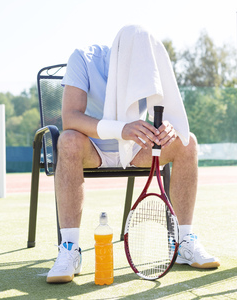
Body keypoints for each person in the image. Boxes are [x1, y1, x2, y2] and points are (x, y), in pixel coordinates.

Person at [46, 25, 220, 284]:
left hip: (136, 149)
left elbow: (166, 111)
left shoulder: (149, 61)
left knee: (187, 142)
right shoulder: (83, 58)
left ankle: (184, 241)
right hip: (92, 149)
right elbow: (70, 117)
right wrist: (121, 129)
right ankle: (69, 249)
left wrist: (168, 128)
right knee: (68, 140)